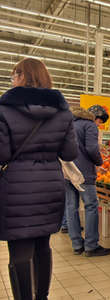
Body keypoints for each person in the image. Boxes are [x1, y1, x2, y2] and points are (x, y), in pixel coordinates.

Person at [0, 58, 78, 299]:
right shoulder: (63, 112)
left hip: (16, 187)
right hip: (50, 185)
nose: (13, 80)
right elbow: (69, 153)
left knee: (20, 250)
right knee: (43, 246)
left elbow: (2, 154)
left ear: (22, 76)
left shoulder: (4, 109)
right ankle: (41, 296)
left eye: (15, 75)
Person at [65, 105, 110, 257]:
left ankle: (77, 245)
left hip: (67, 171)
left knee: (71, 206)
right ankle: (91, 246)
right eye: (99, 121)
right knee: (91, 206)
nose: (99, 124)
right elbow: (92, 149)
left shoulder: (69, 124)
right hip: (84, 172)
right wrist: (100, 162)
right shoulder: (89, 125)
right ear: (95, 117)